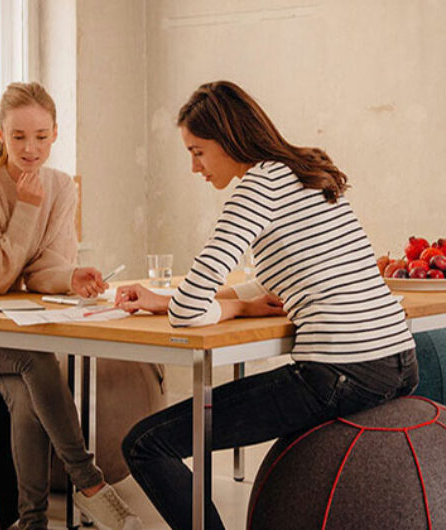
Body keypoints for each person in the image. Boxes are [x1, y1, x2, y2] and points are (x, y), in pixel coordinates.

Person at [115, 81, 419, 529]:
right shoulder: (301, 173)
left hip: (339, 373)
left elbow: (188, 312)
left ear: (229, 138)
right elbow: (274, 277)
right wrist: (167, 300)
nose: (194, 167)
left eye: (198, 151)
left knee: (147, 444)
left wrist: (226, 309)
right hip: (398, 362)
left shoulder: (257, 187)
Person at [0, 82, 140, 530]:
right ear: (0, 132)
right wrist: (26, 207)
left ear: (55, 132)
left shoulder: (60, 187)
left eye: (40, 136)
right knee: (35, 359)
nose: (30, 147)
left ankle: (31, 520)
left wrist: (70, 277)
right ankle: (89, 481)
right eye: (18, 136)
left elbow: (42, 271)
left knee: (24, 390)